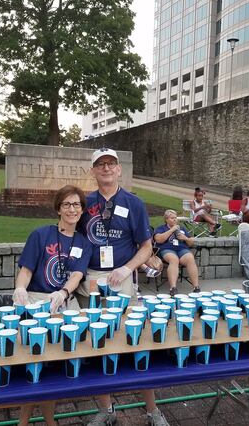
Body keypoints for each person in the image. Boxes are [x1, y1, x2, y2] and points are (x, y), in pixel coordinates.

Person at [77, 148, 169, 426]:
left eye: (111, 164)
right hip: (91, 279)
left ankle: (153, 410)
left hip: (122, 277)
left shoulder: (133, 203)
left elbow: (146, 246)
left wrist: (127, 268)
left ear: (119, 169)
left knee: (134, 342)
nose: (106, 168)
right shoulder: (82, 202)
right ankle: (107, 410)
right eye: (100, 164)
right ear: (92, 170)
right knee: (98, 345)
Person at [13, 185, 93, 426]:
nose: (72, 209)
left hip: (62, 304)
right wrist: (20, 288)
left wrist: (63, 292)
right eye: (67, 204)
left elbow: (77, 275)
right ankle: (24, 421)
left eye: (76, 204)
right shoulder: (41, 234)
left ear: (82, 210)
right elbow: (26, 270)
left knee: (53, 367)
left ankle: (50, 420)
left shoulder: (83, 242)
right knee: (33, 363)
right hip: (36, 302)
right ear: (58, 209)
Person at [153, 209, 201, 296]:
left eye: (175, 218)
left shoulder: (182, 228)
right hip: (167, 249)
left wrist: (185, 238)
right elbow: (158, 240)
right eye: (172, 218)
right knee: (174, 259)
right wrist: (171, 230)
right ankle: (173, 288)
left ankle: (196, 287)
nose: (175, 220)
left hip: (182, 249)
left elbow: (191, 242)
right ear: (166, 219)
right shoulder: (161, 228)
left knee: (190, 258)